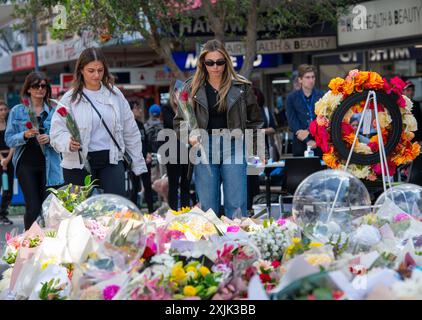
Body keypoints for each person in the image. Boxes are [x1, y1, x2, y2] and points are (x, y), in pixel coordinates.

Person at [174, 39, 263, 218]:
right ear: (203, 63)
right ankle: (212, 245)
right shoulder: (191, 88)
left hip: (234, 144)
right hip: (204, 146)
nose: (215, 67)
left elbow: (255, 121)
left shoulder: (241, 86)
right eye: (210, 62)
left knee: (236, 204)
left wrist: (256, 151)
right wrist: (189, 136)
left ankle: (236, 244)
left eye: (220, 62)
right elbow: (179, 123)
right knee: (208, 207)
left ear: (226, 62)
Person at [50, 47, 147, 196]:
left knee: (114, 209)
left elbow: (130, 130)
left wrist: (138, 165)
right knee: (82, 213)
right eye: (91, 70)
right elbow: (57, 131)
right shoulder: (70, 98)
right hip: (79, 162)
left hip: (112, 159)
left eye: (100, 70)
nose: (96, 75)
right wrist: (68, 142)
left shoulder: (115, 95)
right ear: (81, 70)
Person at [5, 72, 64, 230]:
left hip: (50, 164)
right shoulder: (18, 111)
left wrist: (51, 139)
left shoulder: (55, 109)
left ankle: (48, 245)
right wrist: (24, 134)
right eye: (35, 86)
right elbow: (9, 139)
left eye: (43, 85)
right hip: (26, 165)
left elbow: (64, 135)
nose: (40, 89)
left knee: (49, 207)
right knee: (33, 207)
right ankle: (29, 245)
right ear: (28, 89)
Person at [161, 85, 190, 211]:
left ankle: (185, 210)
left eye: (182, 93)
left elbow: (191, 125)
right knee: (174, 184)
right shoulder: (166, 108)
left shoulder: (187, 108)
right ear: (172, 94)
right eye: (177, 92)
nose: (179, 95)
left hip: (187, 150)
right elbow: (172, 124)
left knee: (186, 183)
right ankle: (173, 211)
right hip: (172, 151)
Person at [286, 64, 324, 156]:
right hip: (300, 143)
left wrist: (309, 131)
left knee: (321, 169)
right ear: (300, 80)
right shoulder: (291, 98)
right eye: (307, 77)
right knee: (301, 169)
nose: (311, 80)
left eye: (313, 77)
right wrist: (306, 139)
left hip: (319, 141)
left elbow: (324, 118)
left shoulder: (322, 95)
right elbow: (292, 121)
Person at [129, 101, 154, 213]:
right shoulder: (128, 126)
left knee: (148, 186)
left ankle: (151, 211)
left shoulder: (140, 124)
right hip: (134, 161)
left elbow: (146, 141)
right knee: (135, 188)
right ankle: (134, 213)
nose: (139, 110)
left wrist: (148, 153)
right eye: (136, 107)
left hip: (145, 160)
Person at [0, 101, 14, 225]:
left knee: (7, 188)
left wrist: (8, 159)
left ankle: (3, 214)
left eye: (5, 109)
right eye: (1, 109)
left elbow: (13, 143)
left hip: (9, 159)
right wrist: (1, 160)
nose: (3, 112)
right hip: (1, 159)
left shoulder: (11, 125)